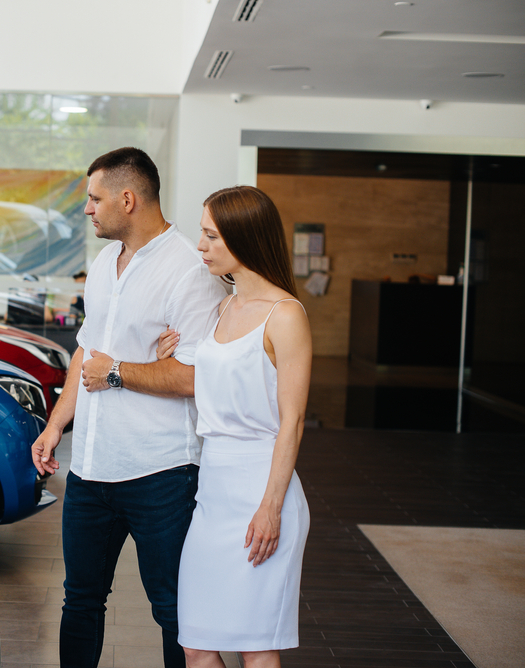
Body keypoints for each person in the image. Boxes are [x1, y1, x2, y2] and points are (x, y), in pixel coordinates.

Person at [31, 147, 227, 668]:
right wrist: (56, 425)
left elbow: (192, 377)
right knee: (81, 601)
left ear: (127, 198)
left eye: (94, 199)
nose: (89, 210)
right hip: (92, 471)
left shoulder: (190, 270)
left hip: (160, 472)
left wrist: (117, 371)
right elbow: (85, 352)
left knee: (174, 611)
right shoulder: (101, 263)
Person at [157, 186, 311, 668]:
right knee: (196, 644)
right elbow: (219, 386)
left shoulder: (285, 316)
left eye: (210, 236)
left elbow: (293, 423)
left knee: (256, 646)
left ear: (243, 238)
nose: (200, 246)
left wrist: (271, 509)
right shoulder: (223, 309)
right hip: (214, 490)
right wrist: (173, 358)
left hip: (261, 491)